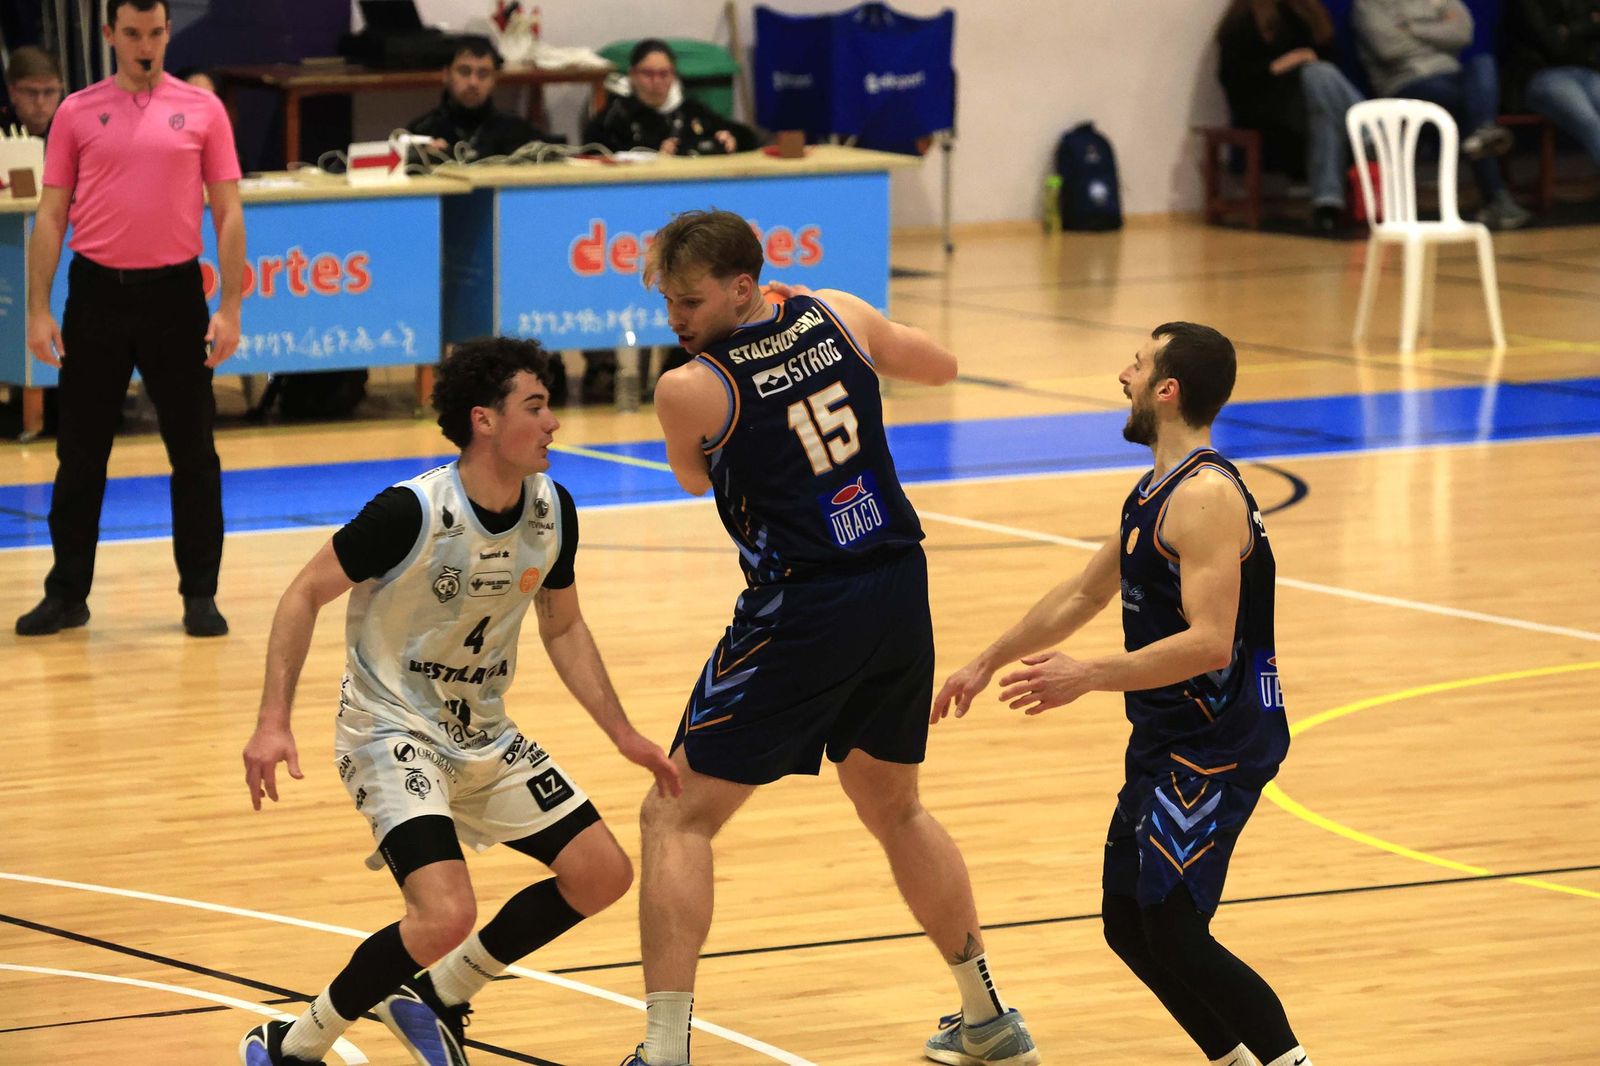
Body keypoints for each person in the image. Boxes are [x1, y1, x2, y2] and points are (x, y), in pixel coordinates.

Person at [622, 209, 1038, 1066]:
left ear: (743, 287)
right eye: (668, 301)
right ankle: (987, 1016)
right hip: (896, 585)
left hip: (803, 607)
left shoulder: (690, 387)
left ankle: (664, 1052)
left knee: (674, 815)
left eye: (689, 301)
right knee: (896, 807)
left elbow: (696, 474)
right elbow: (942, 365)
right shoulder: (838, 313)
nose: (676, 319)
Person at [239, 337, 680, 1066]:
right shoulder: (411, 511)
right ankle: (293, 1043)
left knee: (602, 873)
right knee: (445, 912)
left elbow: (563, 626)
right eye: (535, 407)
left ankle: (435, 996)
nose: (553, 423)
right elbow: (302, 595)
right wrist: (271, 720)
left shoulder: (551, 509)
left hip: (483, 732)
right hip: (390, 728)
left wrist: (623, 733)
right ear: (483, 420)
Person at [935, 323, 1314, 1066]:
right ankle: (1237, 1059)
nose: (1123, 375)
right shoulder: (1153, 491)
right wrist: (983, 663)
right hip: (1169, 736)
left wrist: (1088, 675)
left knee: (1172, 927)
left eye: (1137, 365)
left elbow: (1210, 641)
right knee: (1126, 922)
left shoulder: (1205, 496)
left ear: (1167, 391)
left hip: (1218, 741)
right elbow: (1081, 593)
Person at [15, 0, 243, 638]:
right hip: (97, 296)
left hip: (176, 296)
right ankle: (66, 594)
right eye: (133, 33)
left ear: (169, 33)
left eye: (156, 33)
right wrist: (37, 309)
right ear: (112, 35)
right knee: (80, 454)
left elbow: (227, 212)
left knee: (194, 453)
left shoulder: (203, 110)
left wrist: (229, 306)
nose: (146, 46)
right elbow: (51, 216)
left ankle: (200, 594)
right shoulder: (77, 111)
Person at [1354, 0, 1534, 229]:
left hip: (1452, 78)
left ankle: (1482, 135)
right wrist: (1438, 30)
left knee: (1483, 62)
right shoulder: (1369, 5)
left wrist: (1409, 28)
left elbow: (1463, 32)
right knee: (1474, 109)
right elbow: (1389, 49)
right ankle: (1495, 193)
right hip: (1406, 84)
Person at [1216, 0, 1367, 233]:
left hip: (1314, 104)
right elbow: (1234, 81)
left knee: (1321, 89)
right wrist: (1280, 66)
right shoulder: (1241, 19)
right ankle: (1371, 129)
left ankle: (1327, 205)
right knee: (1318, 79)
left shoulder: (1304, 11)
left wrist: (1307, 61)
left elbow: (1331, 61)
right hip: (1266, 104)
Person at [582, 39, 756, 156]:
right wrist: (656, 152)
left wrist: (730, 139)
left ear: (674, 75)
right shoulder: (615, 115)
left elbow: (745, 136)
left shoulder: (691, 110)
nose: (657, 81)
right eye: (648, 73)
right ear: (633, 75)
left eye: (664, 73)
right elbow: (595, 152)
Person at [406, 35, 560, 162]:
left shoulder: (517, 131)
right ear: (446, 75)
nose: (473, 83)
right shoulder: (422, 132)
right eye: (464, 72)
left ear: (494, 80)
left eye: (483, 74)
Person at [1506, 0, 1600, 169]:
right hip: (1541, 76)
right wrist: (1587, 25)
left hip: (1585, 71)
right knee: (1590, 121)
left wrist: (1570, 30)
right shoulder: (1527, 4)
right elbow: (1551, 43)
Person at [2, 44, 64, 136]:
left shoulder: (74, 129)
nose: (40, 102)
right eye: (31, 92)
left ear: (60, 90)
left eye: (49, 92)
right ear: (12, 92)